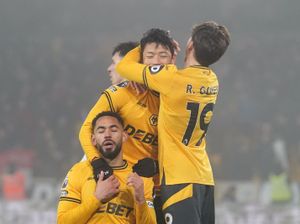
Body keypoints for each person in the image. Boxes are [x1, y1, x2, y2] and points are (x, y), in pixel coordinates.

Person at [116, 21, 230, 224]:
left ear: (190, 45)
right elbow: (182, 83)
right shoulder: (212, 81)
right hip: (204, 178)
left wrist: (145, 47)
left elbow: (123, 66)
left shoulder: (170, 79)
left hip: (179, 181)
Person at [79, 30, 176, 223]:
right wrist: (98, 164)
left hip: (157, 189)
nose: (156, 61)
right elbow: (86, 130)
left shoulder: (174, 96)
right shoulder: (120, 93)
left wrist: (156, 166)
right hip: (119, 184)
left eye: (162, 55)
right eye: (150, 55)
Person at [57, 111, 156, 223]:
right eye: (101, 131)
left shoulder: (140, 179)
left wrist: (140, 200)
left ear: (124, 136)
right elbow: (62, 221)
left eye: (113, 130)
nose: (107, 135)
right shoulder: (78, 171)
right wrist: (97, 198)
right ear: (93, 140)